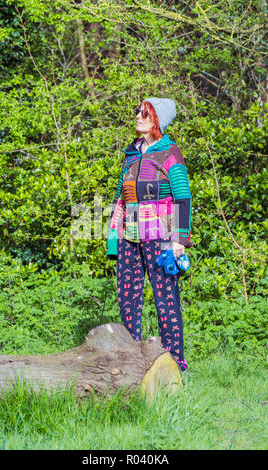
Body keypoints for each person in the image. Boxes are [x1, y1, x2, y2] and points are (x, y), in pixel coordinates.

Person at [106, 98, 192, 371]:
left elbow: (183, 198)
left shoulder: (170, 153)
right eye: (137, 111)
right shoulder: (131, 154)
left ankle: (174, 365)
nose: (138, 117)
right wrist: (113, 231)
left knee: (166, 299)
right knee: (127, 301)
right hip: (129, 236)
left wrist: (179, 241)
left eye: (145, 113)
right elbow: (121, 195)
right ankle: (133, 363)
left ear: (157, 121)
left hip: (162, 238)